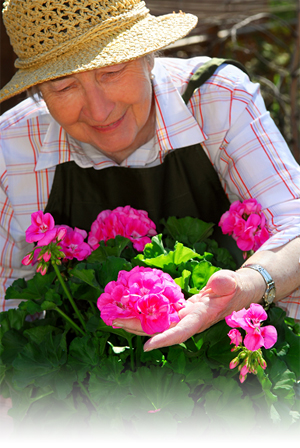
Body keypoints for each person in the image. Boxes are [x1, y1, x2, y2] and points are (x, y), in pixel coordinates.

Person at [0, 0, 300, 354]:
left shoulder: (219, 100)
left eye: (111, 71)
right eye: (64, 87)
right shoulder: (12, 145)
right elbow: (9, 297)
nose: (99, 110)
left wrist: (248, 286)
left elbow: (294, 225)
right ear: (39, 92)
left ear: (149, 56)